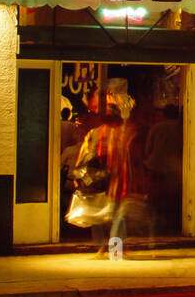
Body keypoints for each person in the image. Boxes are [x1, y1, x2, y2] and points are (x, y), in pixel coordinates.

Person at [75, 100, 142, 257]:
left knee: (99, 214)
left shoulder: (96, 133)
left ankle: (103, 248)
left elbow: (85, 156)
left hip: (100, 181)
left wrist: (80, 176)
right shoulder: (122, 132)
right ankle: (115, 249)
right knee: (117, 214)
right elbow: (129, 157)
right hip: (115, 180)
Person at [144, 104, 183, 243]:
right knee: (173, 198)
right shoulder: (182, 128)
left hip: (156, 167)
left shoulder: (156, 127)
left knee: (156, 199)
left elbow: (148, 148)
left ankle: (156, 226)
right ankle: (173, 224)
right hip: (176, 167)